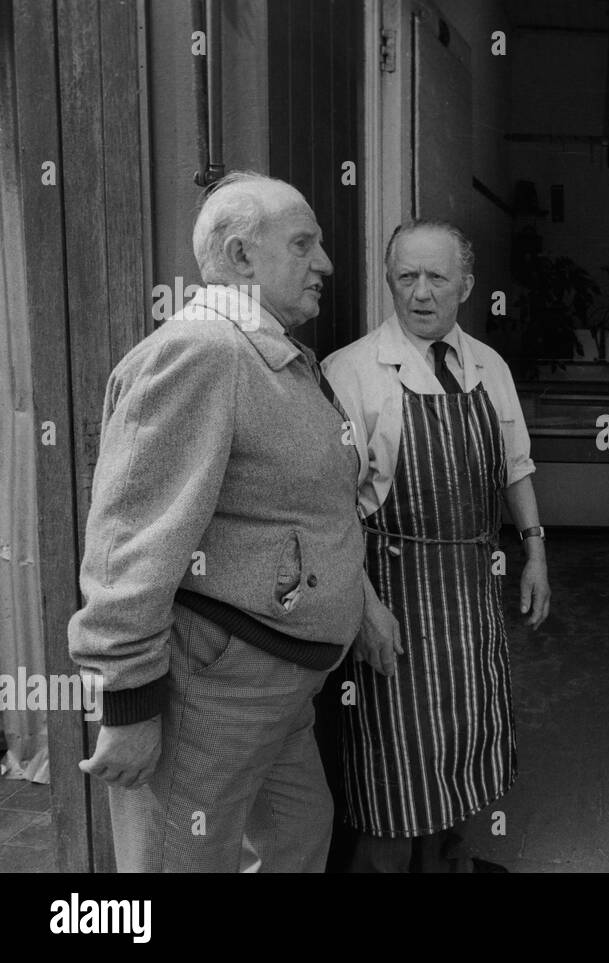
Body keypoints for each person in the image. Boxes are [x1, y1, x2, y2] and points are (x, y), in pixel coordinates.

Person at [67, 172, 400, 873]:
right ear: (242, 256)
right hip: (217, 688)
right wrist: (126, 701)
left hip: (282, 683)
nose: (326, 265)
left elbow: (308, 507)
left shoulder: (270, 352)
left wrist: (361, 601)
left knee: (298, 836)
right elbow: (131, 540)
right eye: (303, 245)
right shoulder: (203, 352)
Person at [323, 219, 551, 873]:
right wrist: (366, 610)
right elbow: (332, 512)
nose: (420, 293)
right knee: (394, 766)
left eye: (437, 277)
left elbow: (516, 464)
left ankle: (446, 863)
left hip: (470, 597)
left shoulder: (490, 366)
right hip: (394, 594)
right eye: (406, 277)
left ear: (467, 285)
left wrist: (534, 551)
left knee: (459, 746)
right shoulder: (352, 372)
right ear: (389, 280)